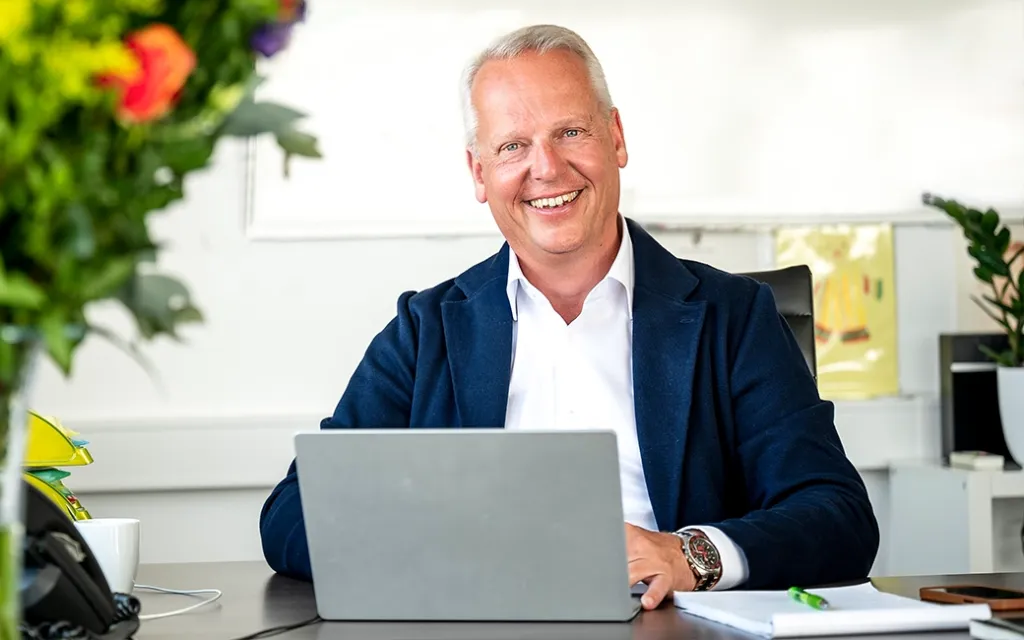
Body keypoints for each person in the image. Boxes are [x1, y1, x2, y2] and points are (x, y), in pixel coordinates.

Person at [259, 23, 879, 610]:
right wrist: (451, 552)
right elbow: (293, 514)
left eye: (571, 133)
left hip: (672, 624)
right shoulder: (425, 331)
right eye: (512, 146)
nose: (547, 168)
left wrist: (690, 554)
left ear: (616, 138)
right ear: (480, 173)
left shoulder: (734, 318)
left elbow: (837, 513)